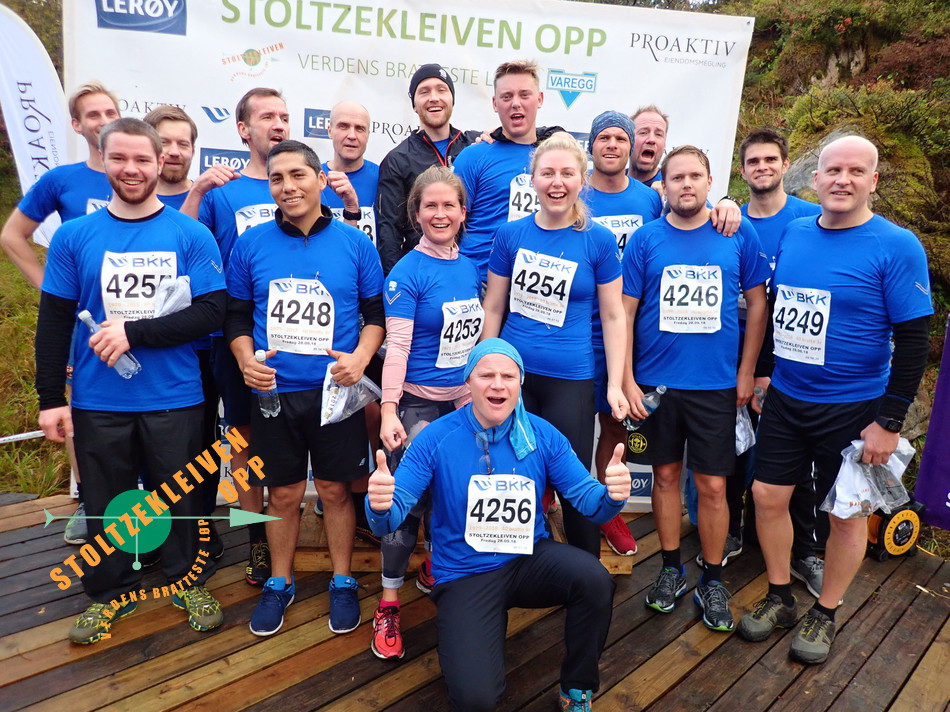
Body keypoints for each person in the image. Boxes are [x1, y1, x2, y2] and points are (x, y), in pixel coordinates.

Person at [737, 135, 932, 664]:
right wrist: (764, 374)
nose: (843, 180)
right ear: (815, 177)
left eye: (856, 171)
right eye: (833, 170)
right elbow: (781, 308)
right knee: (767, 497)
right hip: (787, 398)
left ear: (873, 180)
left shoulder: (896, 245)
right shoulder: (796, 232)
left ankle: (825, 611)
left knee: (846, 516)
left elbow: (914, 339)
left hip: (856, 407)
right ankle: (780, 595)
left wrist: (890, 420)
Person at [36, 117, 227, 643]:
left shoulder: (190, 233)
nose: (132, 169)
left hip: (175, 395)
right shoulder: (75, 236)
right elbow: (53, 322)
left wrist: (134, 332)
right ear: (103, 160)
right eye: (119, 158)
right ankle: (108, 593)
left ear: (160, 161)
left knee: (181, 500)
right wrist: (50, 398)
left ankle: (188, 581)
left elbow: (212, 312)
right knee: (106, 503)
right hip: (99, 399)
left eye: (142, 159)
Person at [366, 339, 632, 712]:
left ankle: (577, 687)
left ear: (520, 382)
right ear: (468, 381)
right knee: (475, 700)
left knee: (594, 579)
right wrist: (378, 505)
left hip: (528, 560)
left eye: (508, 376)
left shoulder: (542, 434)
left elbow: (590, 503)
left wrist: (612, 496)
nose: (497, 384)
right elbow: (390, 519)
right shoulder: (435, 438)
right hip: (465, 574)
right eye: (486, 375)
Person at [225, 139, 384, 637]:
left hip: (335, 393)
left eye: (298, 175)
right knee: (283, 493)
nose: (287, 186)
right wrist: (245, 359)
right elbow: (235, 318)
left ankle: (342, 579)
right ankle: (279, 581)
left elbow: (375, 316)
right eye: (277, 178)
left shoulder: (355, 243)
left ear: (320, 180)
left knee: (335, 490)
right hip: (275, 393)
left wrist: (361, 357)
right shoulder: (250, 244)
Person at [621, 145, 770, 632]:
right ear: (663, 186)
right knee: (664, 478)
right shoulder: (645, 239)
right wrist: (627, 378)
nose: (686, 184)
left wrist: (747, 371)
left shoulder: (736, 231)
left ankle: (712, 577)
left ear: (710, 182)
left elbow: (757, 304)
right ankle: (670, 569)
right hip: (657, 384)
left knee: (713, 486)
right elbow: (624, 311)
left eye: (695, 176)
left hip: (716, 385)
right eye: (676, 177)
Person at [482, 133, 629, 558]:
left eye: (567, 173)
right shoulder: (510, 235)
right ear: (532, 180)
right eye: (547, 173)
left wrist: (615, 385)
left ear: (582, 180)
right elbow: (494, 307)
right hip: (514, 380)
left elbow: (614, 315)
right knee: (511, 478)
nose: (557, 182)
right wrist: (483, 371)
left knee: (574, 485)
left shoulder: (598, 240)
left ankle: (587, 576)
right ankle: (508, 570)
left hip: (571, 379)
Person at [1, 81, 121, 546]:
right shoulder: (62, 180)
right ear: (76, 125)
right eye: (92, 114)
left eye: (109, 111)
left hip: (140, 322)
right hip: (84, 325)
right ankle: (90, 498)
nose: (103, 120)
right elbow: (13, 236)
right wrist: (54, 292)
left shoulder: (141, 171)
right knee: (80, 408)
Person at [372, 166, 482, 659]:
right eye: (430, 206)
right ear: (415, 214)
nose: (440, 214)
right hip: (415, 404)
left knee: (454, 497)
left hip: (461, 404)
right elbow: (396, 348)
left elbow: (471, 344)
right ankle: (389, 604)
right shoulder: (406, 272)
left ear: (463, 212)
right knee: (406, 507)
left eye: (448, 205)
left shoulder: (469, 266)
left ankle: (438, 570)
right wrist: (389, 411)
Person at [182, 87, 290, 586]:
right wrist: (197, 193)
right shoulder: (222, 192)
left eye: (284, 116)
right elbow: (180, 244)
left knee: (292, 439)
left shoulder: (306, 180)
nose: (279, 124)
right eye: (267, 116)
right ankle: (256, 539)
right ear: (244, 130)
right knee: (243, 442)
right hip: (240, 335)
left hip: (300, 342)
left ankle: (288, 525)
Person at [714, 128, 825, 592]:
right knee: (732, 448)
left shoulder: (810, 220)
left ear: (785, 165)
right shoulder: (729, 221)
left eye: (770, 160)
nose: (762, 167)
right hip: (735, 353)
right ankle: (733, 531)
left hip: (794, 361)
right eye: (753, 161)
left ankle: (806, 551)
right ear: (742, 171)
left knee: (796, 459)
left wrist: (769, 370)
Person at [143, 105, 224, 558]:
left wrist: (198, 193)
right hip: (143, 348)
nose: (174, 151)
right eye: (165, 142)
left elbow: (196, 266)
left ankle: (199, 528)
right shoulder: (131, 204)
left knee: (200, 446)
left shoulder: (209, 196)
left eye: (183, 143)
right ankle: (151, 533)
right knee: (145, 447)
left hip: (200, 345)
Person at [583, 110, 663, 558]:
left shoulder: (649, 199)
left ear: (630, 147)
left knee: (615, 425)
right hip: (577, 331)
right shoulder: (575, 191)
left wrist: (724, 204)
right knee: (566, 427)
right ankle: (555, 501)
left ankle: (608, 509)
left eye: (620, 138)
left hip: (626, 332)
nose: (611, 145)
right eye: (604, 138)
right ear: (591, 145)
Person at [452, 59, 564, 284]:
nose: (516, 104)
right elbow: (451, 223)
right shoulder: (473, 157)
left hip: (534, 285)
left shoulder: (558, 159)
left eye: (524, 95)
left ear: (540, 99)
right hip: (480, 281)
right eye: (506, 97)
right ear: (495, 103)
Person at [376, 63, 478, 274]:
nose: (434, 98)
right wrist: (395, 281)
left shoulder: (475, 146)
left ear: (452, 99)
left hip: (470, 270)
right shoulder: (397, 160)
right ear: (414, 104)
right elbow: (389, 232)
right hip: (422, 273)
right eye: (424, 92)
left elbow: (518, 135)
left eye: (441, 90)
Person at [321, 100, 378, 239]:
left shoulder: (384, 177)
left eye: (359, 128)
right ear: (330, 131)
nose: (352, 135)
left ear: (368, 135)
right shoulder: (312, 179)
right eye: (343, 126)